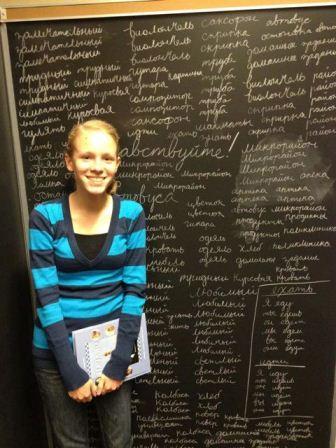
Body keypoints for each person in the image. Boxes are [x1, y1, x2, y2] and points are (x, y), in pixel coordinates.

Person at [29, 119, 146, 447]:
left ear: (117, 163)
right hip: (55, 357)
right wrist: (70, 370)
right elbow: (46, 297)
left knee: (120, 442)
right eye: (86, 157)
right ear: (69, 161)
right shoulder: (45, 218)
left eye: (107, 158)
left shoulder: (131, 214)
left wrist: (118, 363)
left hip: (111, 354)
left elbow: (135, 291)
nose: (97, 167)